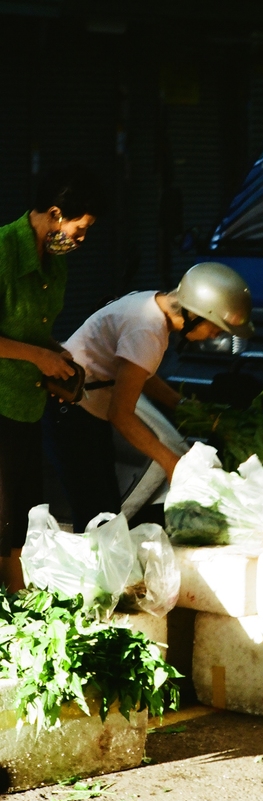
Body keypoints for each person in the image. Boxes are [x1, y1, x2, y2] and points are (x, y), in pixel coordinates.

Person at [43, 262, 255, 533]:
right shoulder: (147, 328)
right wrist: (172, 464)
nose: (216, 335)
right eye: (217, 328)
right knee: (98, 518)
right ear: (196, 314)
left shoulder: (152, 304)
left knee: (106, 515)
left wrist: (179, 404)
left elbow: (137, 370)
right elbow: (121, 415)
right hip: (71, 414)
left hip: (81, 412)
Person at [0, 164, 105, 591]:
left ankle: (17, 599)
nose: (81, 240)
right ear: (56, 214)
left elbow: (29, 330)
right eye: (80, 230)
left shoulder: (54, 263)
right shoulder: (4, 250)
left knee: (20, 513)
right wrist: (38, 356)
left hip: (26, 403)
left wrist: (55, 353)